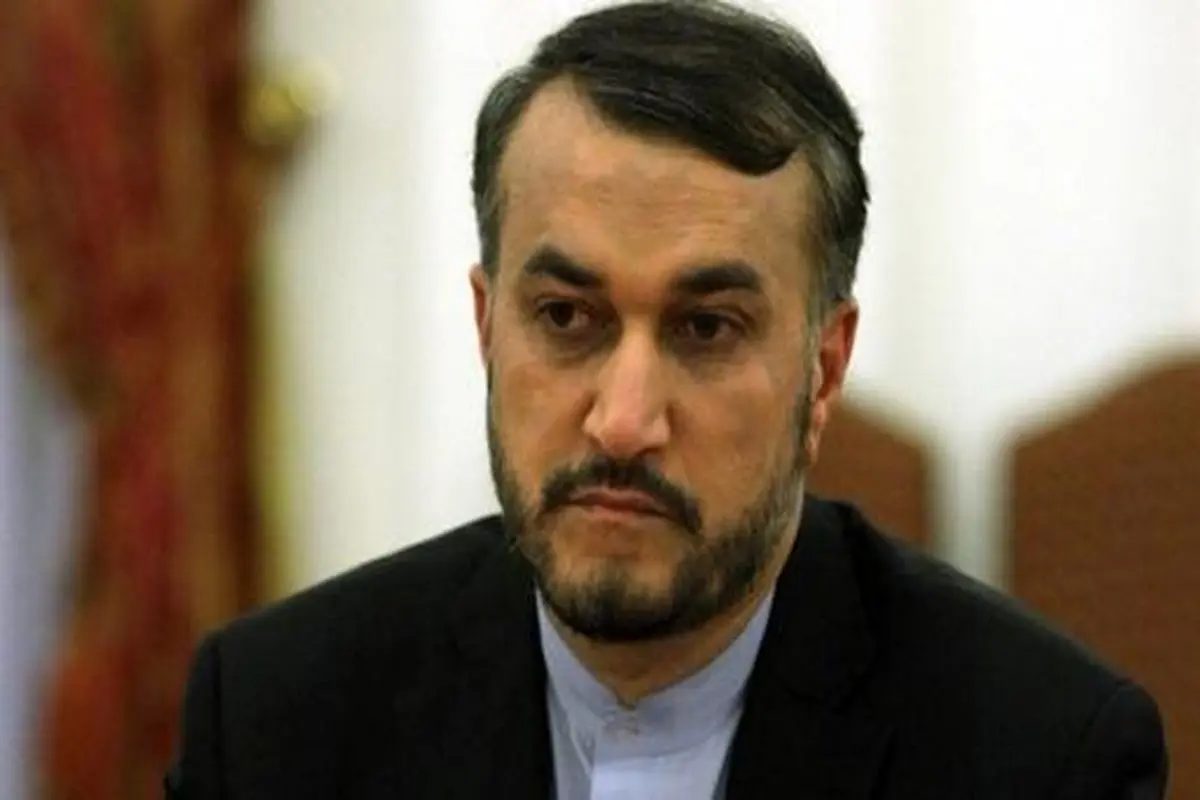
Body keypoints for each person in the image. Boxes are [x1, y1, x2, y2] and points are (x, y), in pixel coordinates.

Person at [165, 1, 1168, 797]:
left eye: (706, 329)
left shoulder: (1040, 757)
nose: (623, 420)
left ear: (823, 369)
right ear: (486, 326)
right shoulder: (276, 724)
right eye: (567, 316)